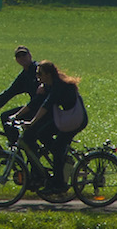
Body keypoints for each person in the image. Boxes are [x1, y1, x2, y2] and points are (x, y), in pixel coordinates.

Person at [19, 60, 88, 191]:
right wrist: (17, 115)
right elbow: (36, 102)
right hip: (67, 118)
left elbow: (46, 105)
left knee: (57, 149)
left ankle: (59, 184)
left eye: (40, 74)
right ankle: (60, 156)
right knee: (42, 133)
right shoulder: (50, 85)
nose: (37, 77)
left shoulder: (59, 87)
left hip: (76, 120)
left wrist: (31, 122)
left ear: (48, 75)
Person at [0, 46, 41, 146]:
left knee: (7, 118)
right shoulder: (24, 76)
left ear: (30, 55)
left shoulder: (39, 70)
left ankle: (16, 151)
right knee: (7, 118)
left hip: (43, 109)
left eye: (24, 54)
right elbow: (8, 94)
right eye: (18, 56)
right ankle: (16, 151)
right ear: (16, 60)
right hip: (34, 108)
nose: (22, 58)